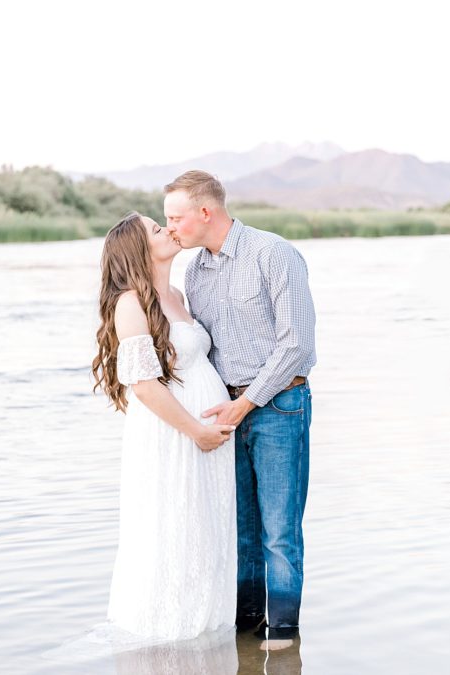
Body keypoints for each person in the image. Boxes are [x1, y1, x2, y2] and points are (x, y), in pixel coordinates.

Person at [163, 171, 316, 649]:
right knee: (240, 532)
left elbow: (297, 345)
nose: (170, 228)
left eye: (175, 217)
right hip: (222, 412)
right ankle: (246, 631)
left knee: (278, 533)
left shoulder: (273, 254)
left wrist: (246, 403)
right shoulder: (192, 272)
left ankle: (285, 635)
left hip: (278, 407)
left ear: (205, 213)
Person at [91, 211, 238, 641]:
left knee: (204, 527)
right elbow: (143, 385)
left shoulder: (175, 292)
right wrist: (196, 430)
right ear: (139, 249)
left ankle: (210, 639)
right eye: (157, 229)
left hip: (203, 433)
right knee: (173, 529)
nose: (169, 229)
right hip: (174, 434)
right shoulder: (130, 303)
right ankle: (169, 637)